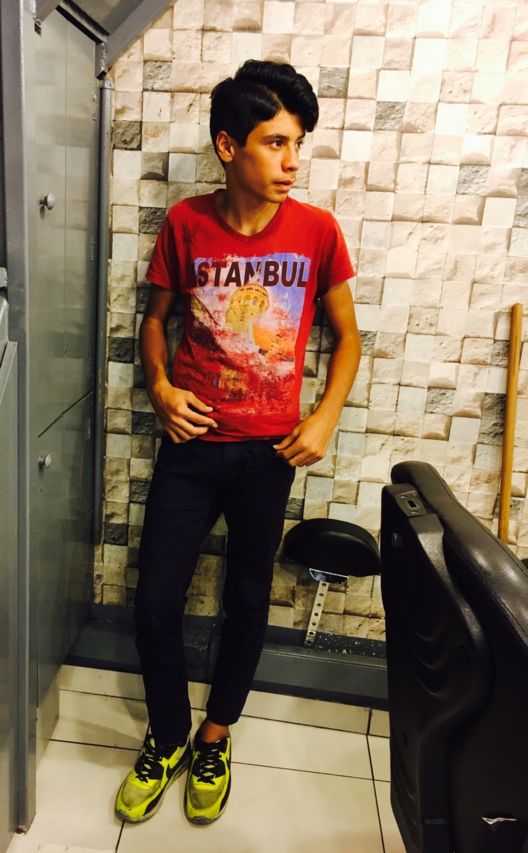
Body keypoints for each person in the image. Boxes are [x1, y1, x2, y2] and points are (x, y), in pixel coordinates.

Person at [115, 59, 361, 826]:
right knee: (156, 601)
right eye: (276, 143)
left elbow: (349, 337)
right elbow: (155, 319)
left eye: (298, 145)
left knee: (247, 599)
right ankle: (167, 733)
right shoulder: (187, 224)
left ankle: (215, 737)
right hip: (191, 447)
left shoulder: (318, 232)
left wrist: (324, 417)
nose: (292, 162)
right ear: (229, 146)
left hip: (268, 455)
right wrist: (160, 386)